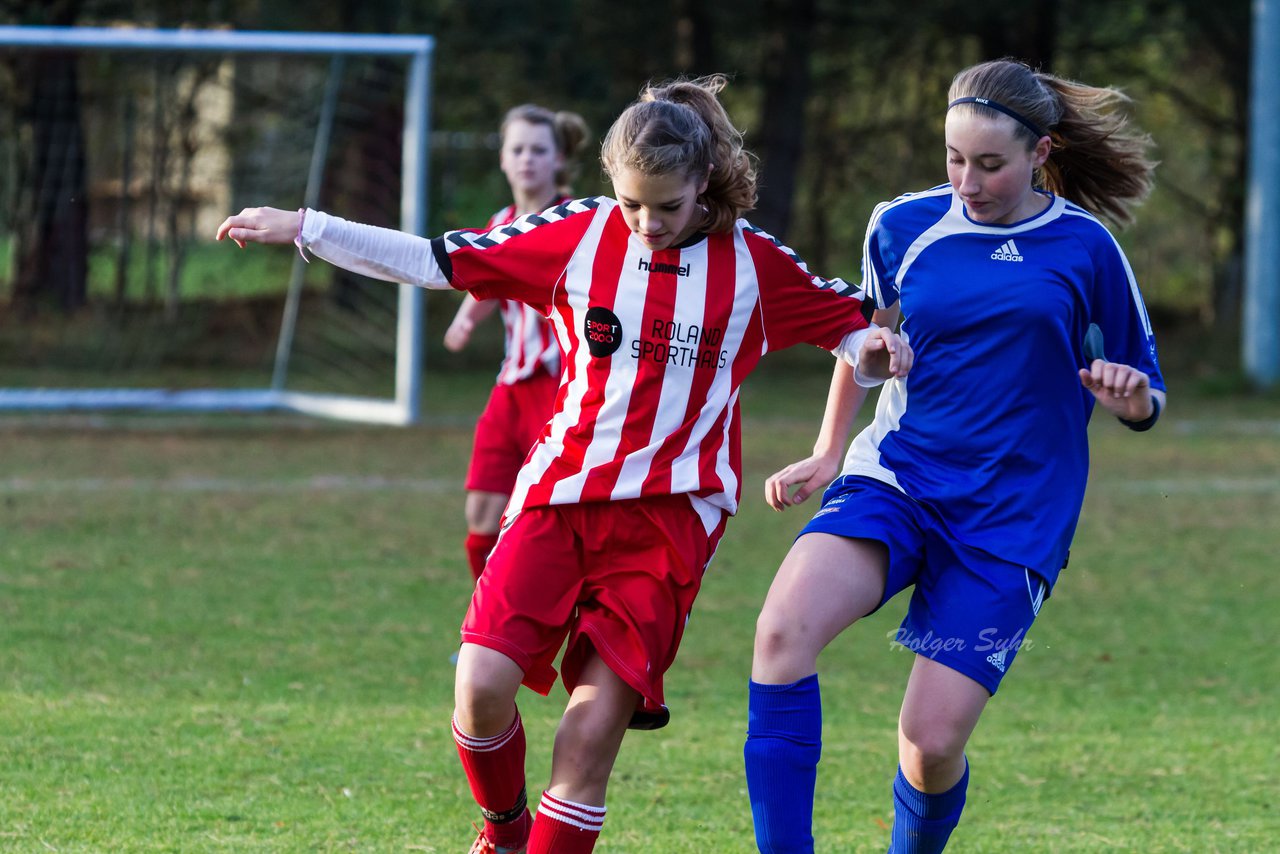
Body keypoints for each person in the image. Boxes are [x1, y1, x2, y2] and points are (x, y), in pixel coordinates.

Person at [216, 74, 912, 854]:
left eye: (668, 207)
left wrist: (874, 348)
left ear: (704, 185)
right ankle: (505, 830)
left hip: (670, 523)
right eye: (631, 204)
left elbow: (851, 327)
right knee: (479, 692)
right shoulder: (577, 234)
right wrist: (306, 226)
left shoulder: (754, 266)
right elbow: (433, 261)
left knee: (585, 746)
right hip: (559, 497)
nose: (647, 223)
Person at [743, 58, 1166, 853]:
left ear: (1040, 154)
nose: (967, 181)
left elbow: (1149, 389)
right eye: (953, 159)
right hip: (898, 480)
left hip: (1013, 521)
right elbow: (861, 340)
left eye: (990, 164)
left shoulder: (1087, 247)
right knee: (780, 635)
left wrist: (1130, 396)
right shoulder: (900, 224)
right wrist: (830, 447)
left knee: (930, 745)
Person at [443, 104, 589, 582]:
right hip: (510, 388)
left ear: (559, 160)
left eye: (539, 150)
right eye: (518, 149)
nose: (528, 159)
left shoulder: (578, 220)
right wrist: (466, 319)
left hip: (562, 391)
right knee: (482, 515)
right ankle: (486, 637)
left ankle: (535, 636)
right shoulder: (502, 220)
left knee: (550, 525)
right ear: (503, 159)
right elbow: (485, 274)